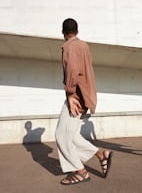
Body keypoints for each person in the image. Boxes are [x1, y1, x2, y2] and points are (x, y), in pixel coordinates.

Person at [55, 18, 113, 185]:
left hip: (77, 96)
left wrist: (70, 94)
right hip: (86, 95)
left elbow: (73, 70)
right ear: (77, 31)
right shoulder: (84, 46)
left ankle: (80, 172)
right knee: (71, 135)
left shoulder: (69, 47)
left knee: (61, 135)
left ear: (63, 32)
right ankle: (101, 155)